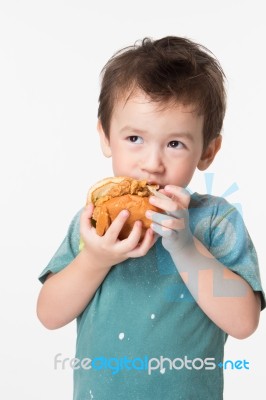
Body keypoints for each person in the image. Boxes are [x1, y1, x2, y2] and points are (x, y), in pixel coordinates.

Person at [37, 36, 265, 400]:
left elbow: (244, 323)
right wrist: (95, 259)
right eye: (134, 138)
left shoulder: (215, 221)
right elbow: (49, 314)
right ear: (105, 136)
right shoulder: (95, 223)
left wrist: (186, 248)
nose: (152, 164)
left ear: (207, 151)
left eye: (175, 144)